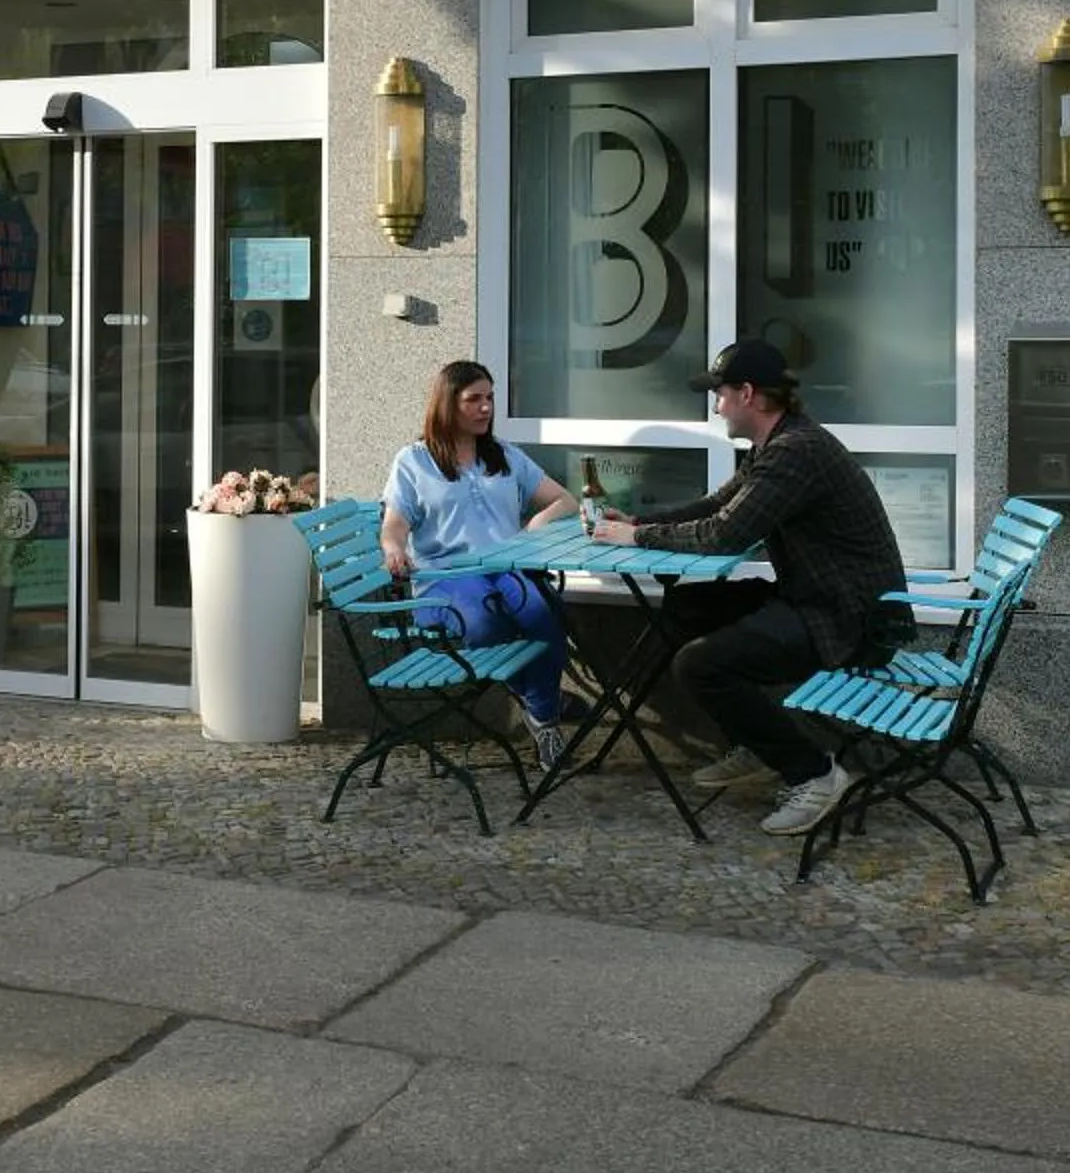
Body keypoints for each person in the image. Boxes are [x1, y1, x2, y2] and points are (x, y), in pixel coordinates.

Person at [593, 337, 912, 837]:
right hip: (818, 597)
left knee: (699, 664)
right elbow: (718, 505)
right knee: (689, 602)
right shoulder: (778, 443)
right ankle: (758, 740)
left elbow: (724, 534)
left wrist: (636, 536)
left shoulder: (796, 452)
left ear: (746, 393)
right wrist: (640, 520)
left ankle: (814, 774)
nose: (715, 405)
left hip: (846, 618)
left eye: (718, 394)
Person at [381, 360, 577, 766]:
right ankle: (542, 701)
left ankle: (541, 717)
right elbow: (395, 525)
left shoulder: (504, 456)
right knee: (484, 623)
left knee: (546, 612)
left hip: (507, 567)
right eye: (474, 399)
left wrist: (535, 524)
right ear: (447, 403)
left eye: (490, 398)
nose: (486, 407)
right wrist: (393, 548)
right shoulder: (414, 461)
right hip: (444, 576)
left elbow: (566, 500)